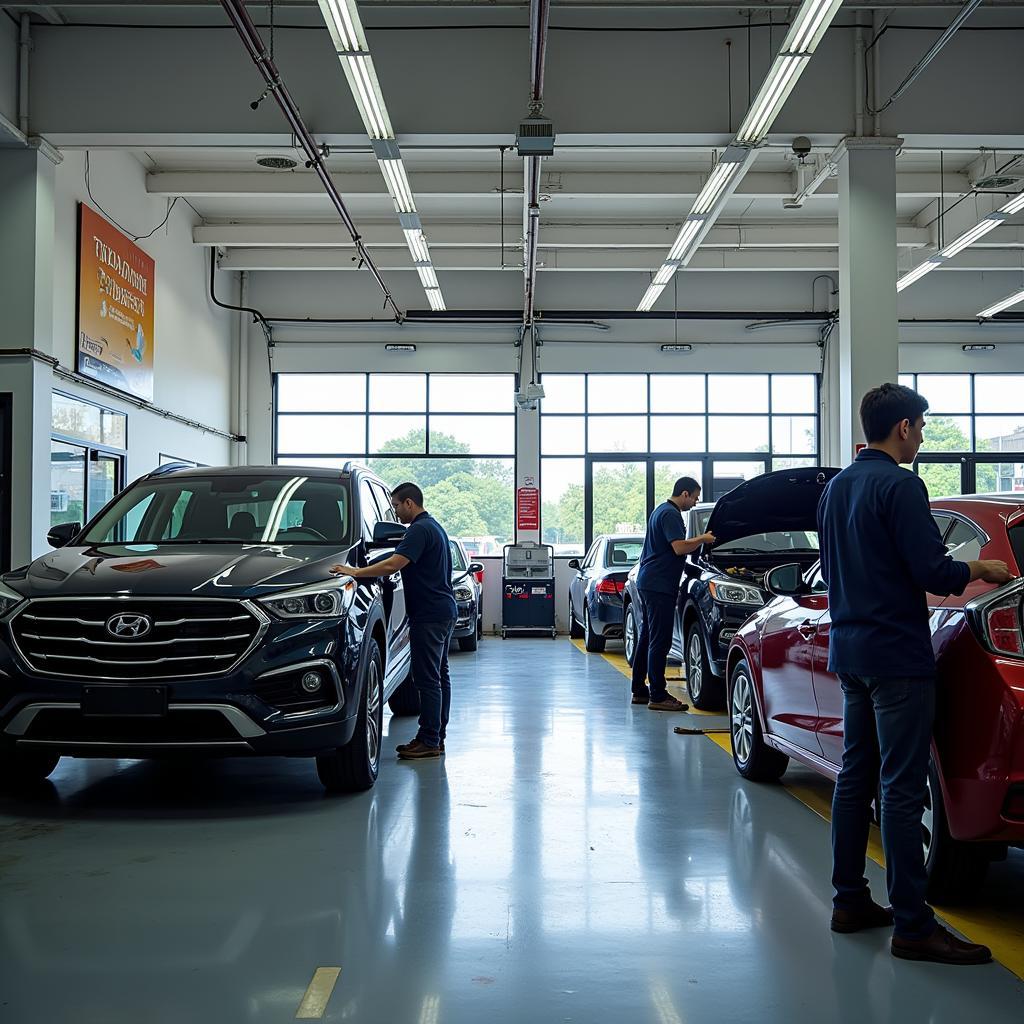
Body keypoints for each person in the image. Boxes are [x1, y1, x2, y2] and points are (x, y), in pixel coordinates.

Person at [818, 383, 1013, 965]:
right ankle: (912, 924)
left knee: (856, 779)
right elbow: (934, 569)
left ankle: (849, 901)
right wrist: (982, 565)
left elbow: (831, 570)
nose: (924, 438)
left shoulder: (836, 489)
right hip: (898, 657)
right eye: (922, 428)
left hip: (850, 652)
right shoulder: (902, 485)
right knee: (901, 790)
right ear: (902, 427)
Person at [330, 482, 457, 760]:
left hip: (429, 615)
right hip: (442, 611)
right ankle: (436, 737)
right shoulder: (433, 527)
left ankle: (429, 740)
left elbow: (393, 564)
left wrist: (355, 571)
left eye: (397, 506)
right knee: (439, 676)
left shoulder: (419, 530)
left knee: (427, 679)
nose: (395, 512)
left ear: (410, 503)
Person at [631, 477, 715, 712]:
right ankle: (657, 695)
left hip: (650, 582)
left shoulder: (660, 510)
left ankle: (639, 690)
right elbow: (678, 547)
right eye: (695, 498)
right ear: (685, 494)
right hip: (659, 586)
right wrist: (703, 539)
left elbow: (668, 552)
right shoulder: (671, 514)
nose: (695, 503)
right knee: (660, 640)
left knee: (647, 637)